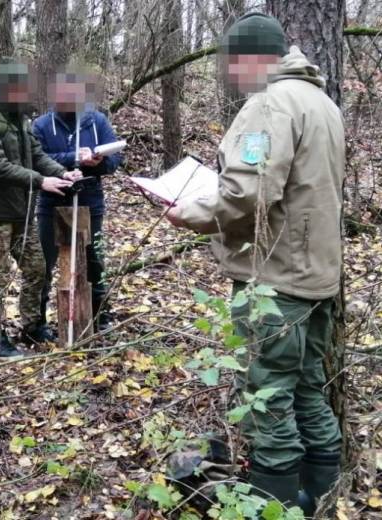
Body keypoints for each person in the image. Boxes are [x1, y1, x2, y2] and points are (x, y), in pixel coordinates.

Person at [166, 13, 344, 514]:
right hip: (316, 275)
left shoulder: (271, 102)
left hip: (277, 278)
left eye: (231, 63)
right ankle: (321, 495)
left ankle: (277, 500)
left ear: (250, 58)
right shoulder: (321, 101)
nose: (229, 74)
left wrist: (190, 213)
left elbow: (248, 192)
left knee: (269, 396)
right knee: (309, 388)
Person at [0, 60, 82, 357]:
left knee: (36, 268)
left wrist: (61, 172)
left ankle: (32, 325)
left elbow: (37, 154)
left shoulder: (20, 119)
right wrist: (41, 181)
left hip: (22, 211)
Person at [32, 68, 122, 331]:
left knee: (94, 257)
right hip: (51, 201)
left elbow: (116, 159)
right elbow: (37, 159)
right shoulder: (42, 125)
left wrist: (98, 161)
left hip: (90, 201)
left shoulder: (96, 122)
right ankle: (37, 321)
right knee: (45, 262)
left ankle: (100, 314)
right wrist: (73, 158)